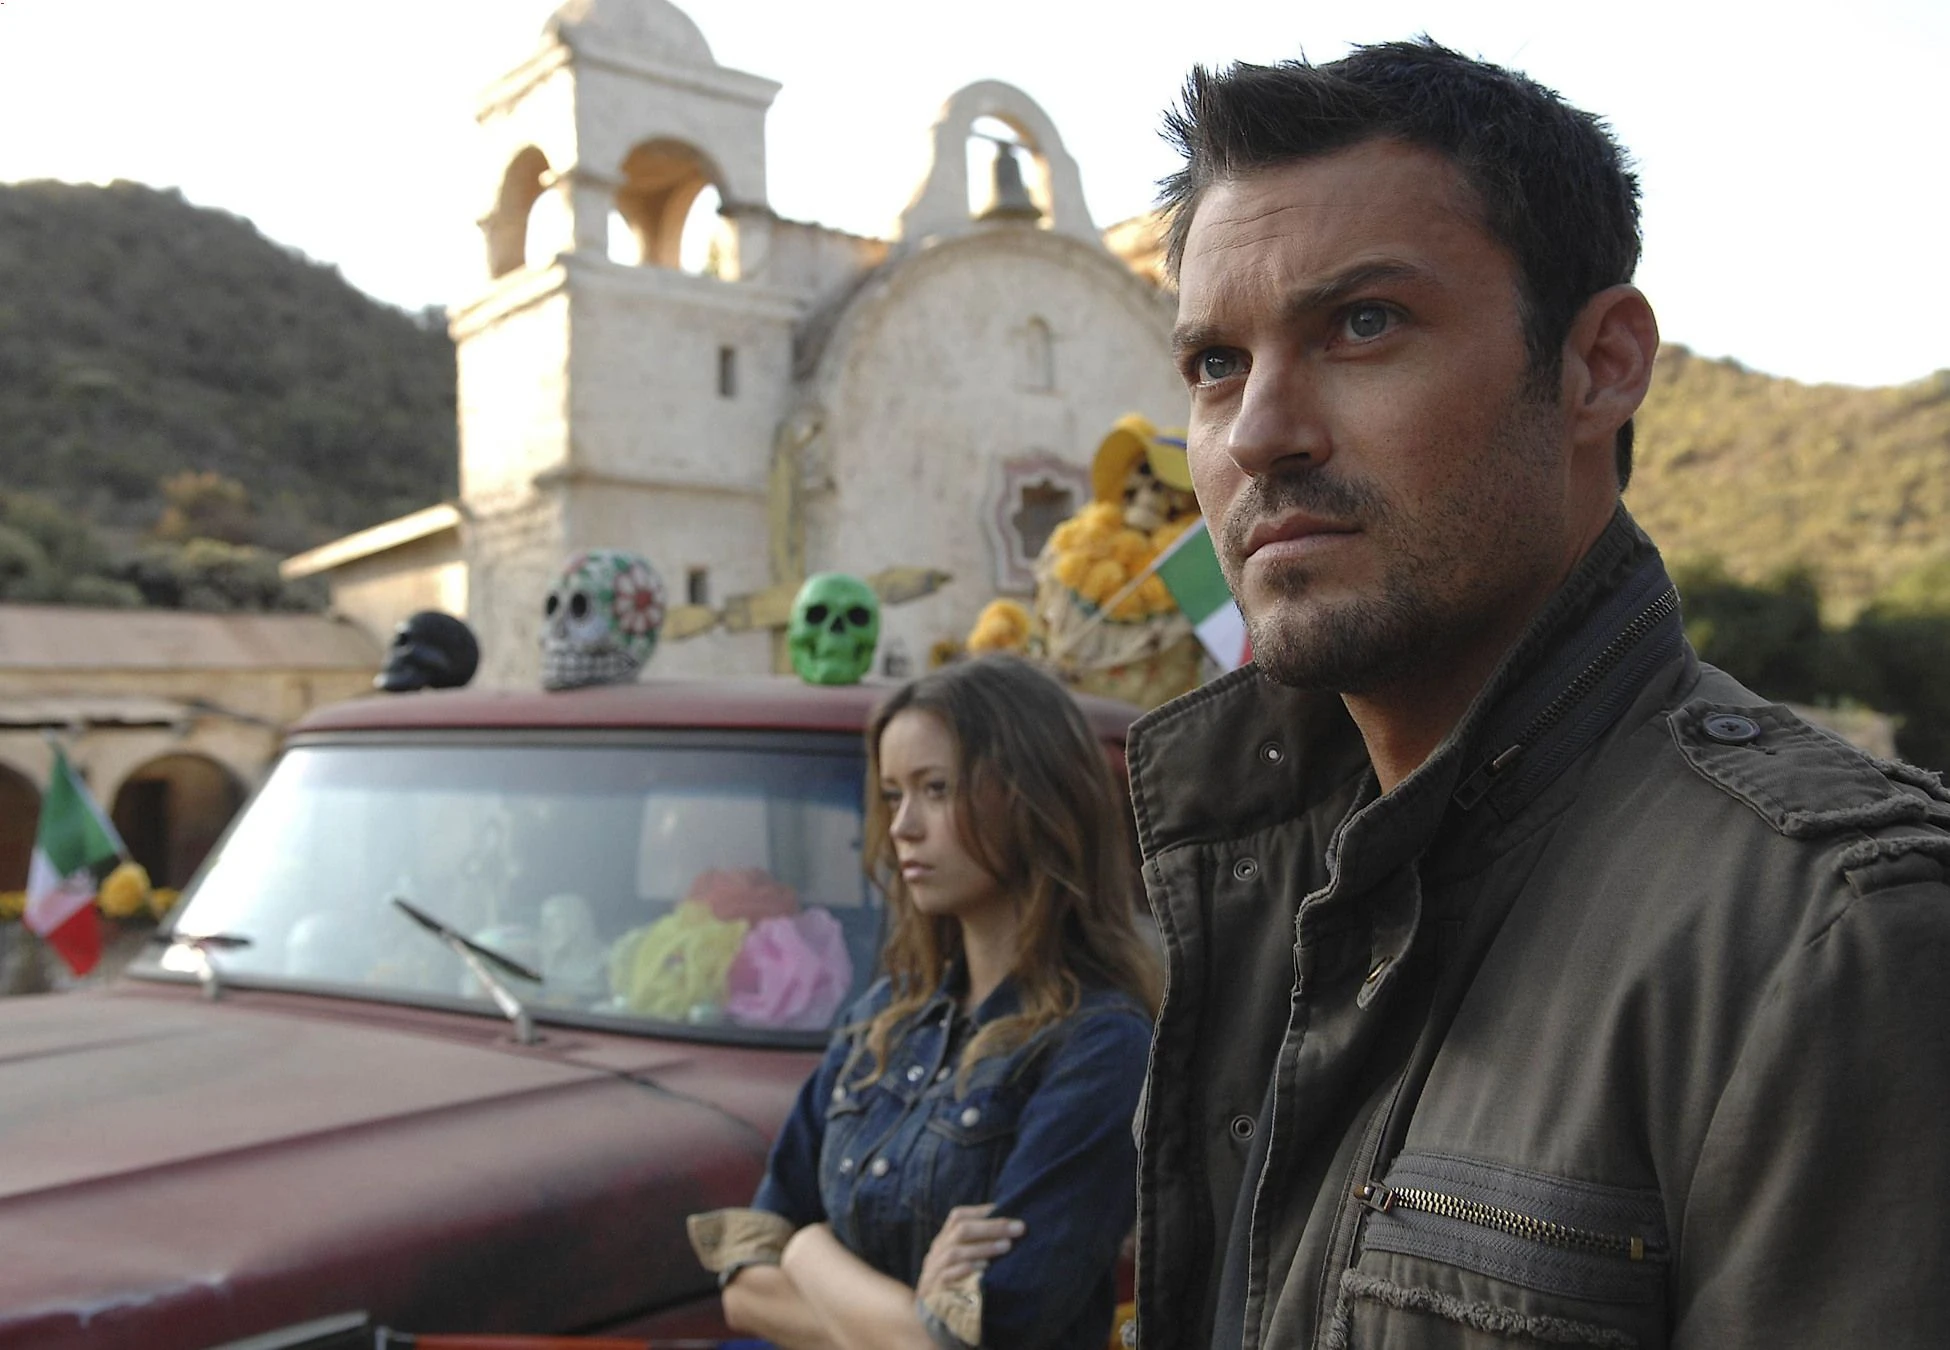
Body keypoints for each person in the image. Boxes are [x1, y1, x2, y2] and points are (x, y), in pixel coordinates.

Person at [1129, 39, 1950, 1350]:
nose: (1260, 432)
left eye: (1362, 324)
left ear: (1599, 364)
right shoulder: (1257, 869)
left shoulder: (1831, 937)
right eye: (1216, 363)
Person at [688, 654, 1161, 1349]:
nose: (902, 826)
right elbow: (745, 1283)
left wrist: (806, 1253)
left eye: (935, 789)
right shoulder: (886, 1018)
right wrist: (907, 1318)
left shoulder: (1100, 1047)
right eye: (892, 795)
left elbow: (992, 1331)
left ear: (1032, 798)